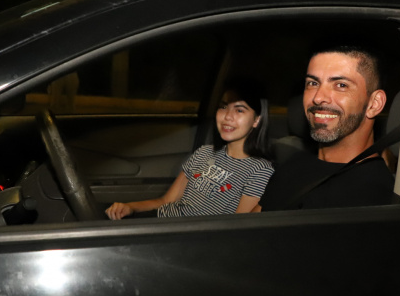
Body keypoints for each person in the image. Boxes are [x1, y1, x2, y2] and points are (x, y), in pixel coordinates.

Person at [105, 78, 274, 219]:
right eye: (223, 107)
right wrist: (129, 207)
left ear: (256, 120)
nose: (227, 117)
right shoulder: (204, 152)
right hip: (158, 221)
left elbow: (237, 229)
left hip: (187, 238)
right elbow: (165, 201)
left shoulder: (259, 170)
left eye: (239, 110)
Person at [255, 42, 395, 211]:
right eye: (313, 83)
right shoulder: (293, 163)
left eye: (341, 85)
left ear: (374, 104)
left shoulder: (375, 196)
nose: (318, 97)